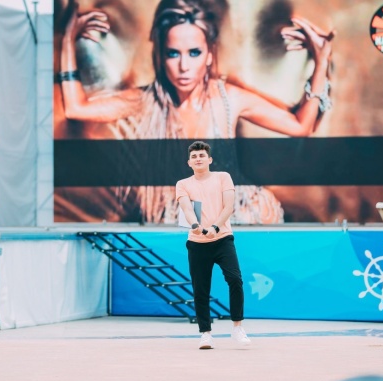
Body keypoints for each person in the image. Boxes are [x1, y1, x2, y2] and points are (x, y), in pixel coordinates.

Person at [56, 0, 334, 224]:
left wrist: (321, 61)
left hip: (243, 220)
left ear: (209, 55)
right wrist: (68, 41)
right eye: (173, 53)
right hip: (183, 225)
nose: (184, 67)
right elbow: (76, 108)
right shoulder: (145, 101)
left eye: (194, 53)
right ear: (161, 56)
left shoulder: (227, 99)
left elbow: (301, 126)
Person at [176, 140, 249, 349]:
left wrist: (215, 228)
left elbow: (228, 207)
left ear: (209, 159)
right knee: (200, 289)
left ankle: (237, 327)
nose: (198, 159)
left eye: (201, 156)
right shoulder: (183, 184)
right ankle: (205, 334)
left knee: (235, 280)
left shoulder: (223, 177)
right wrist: (196, 226)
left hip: (222, 238)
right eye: (194, 157)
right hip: (197, 242)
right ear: (189, 162)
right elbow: (187, 208)